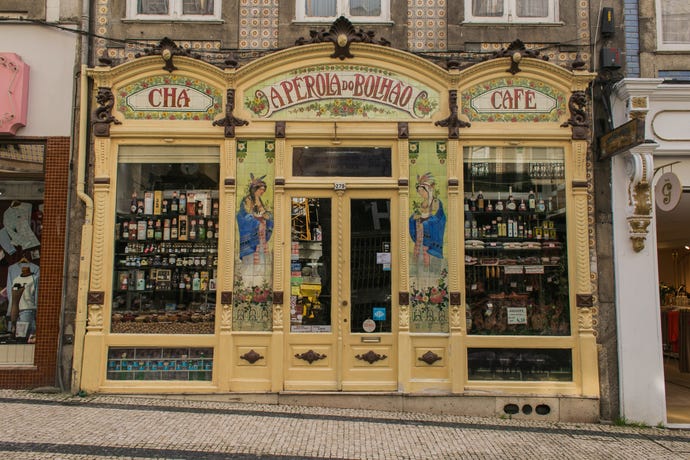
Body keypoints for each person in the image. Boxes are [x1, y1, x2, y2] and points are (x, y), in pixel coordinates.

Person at [237, 173, 273, 285]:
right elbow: (242, 216)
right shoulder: (247, 200)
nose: (262, 192)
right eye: (261, 189)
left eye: (263, 190)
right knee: (250, 262)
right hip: (252, 236)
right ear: (255, 189)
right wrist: (257, 218)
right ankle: (248, 285)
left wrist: (268, 217)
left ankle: (260, 284)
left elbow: (265, 215)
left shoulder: (260, 200)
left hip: (261, 236)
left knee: (261, 262)